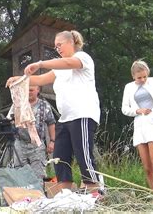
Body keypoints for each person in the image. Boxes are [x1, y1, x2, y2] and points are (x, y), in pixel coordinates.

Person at [6, 30, 101, 192]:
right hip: (65, 119)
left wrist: (41, 63)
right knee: (59, 158)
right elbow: (41, 79)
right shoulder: (58, 69)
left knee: (83, 156)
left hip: (82, 115)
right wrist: (19, 80)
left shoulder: (83, 58)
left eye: (60, 45)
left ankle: (94, 192)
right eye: (55, 47)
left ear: (71, 43)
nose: (58, 49)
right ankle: (64, 193)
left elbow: (70, 63)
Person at [121, 60, 153, 195]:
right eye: (139, 77)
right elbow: (124, 108)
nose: (143, 79)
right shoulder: (128, 87)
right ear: (133, 76)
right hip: (139, 127)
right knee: (147, 168)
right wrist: (138, 111)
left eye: (145, 76)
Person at [7, 85, 56, 179]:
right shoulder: (17, 104)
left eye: (31, 90)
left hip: (37, 145)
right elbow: (8, 120)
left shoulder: (44, 105)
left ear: (38, 90)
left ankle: (38, 193)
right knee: (19, 175)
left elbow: (51, 123)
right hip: (20, 144)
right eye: (27, 90)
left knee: (38, 175)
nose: (29, 92)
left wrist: (52, 141)